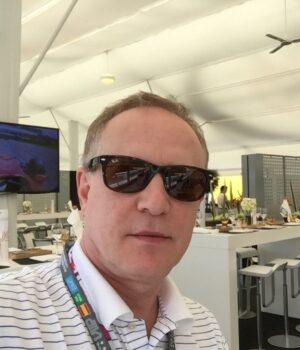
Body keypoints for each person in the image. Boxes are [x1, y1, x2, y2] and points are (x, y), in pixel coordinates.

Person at [0, 92, 228, 349]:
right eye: (126, 174)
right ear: (84, 190)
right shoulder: (9, 317)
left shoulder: (206, 329)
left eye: (184, 181)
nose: (155, 204)